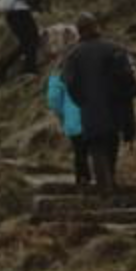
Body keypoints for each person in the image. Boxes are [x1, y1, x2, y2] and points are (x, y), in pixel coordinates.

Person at [60, 12, 136, 191]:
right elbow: (128, 76)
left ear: (79, 31)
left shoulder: (74, 55)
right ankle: (110, 179)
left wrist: (81, 101)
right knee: (112, 143)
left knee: (97, 146)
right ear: (96, 27)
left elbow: (70, 83)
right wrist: (131, 92)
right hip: (115, 106)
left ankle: (105, 186)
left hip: (91, 108)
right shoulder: (115, 48)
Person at [40, 22, 88, 185]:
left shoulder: (59, 67)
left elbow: (53, 98)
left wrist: (63, 114)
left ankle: (83, 181)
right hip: (96, 115)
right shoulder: (87, 55)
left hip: (74, 120)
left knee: (80, 152)